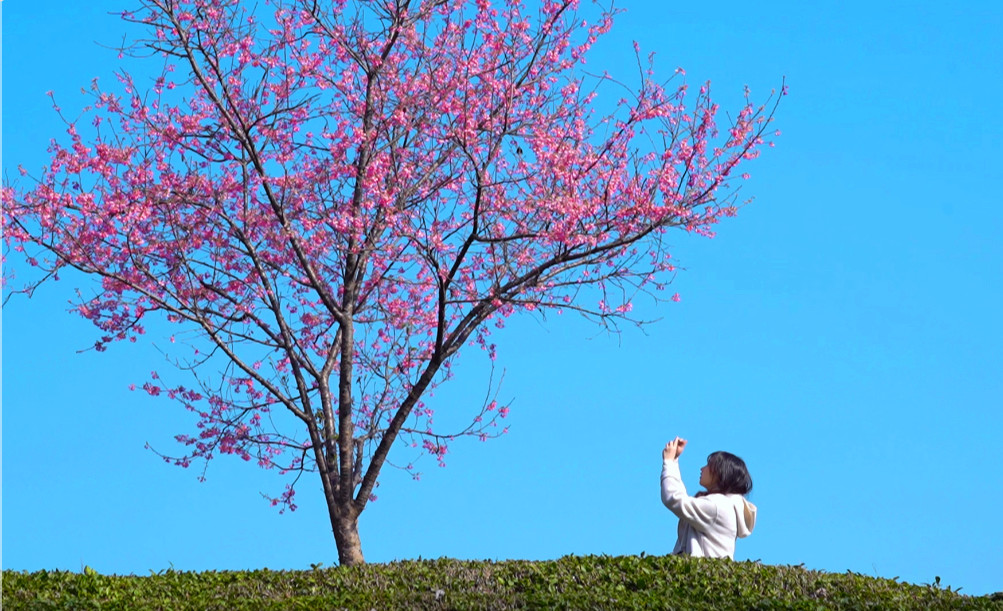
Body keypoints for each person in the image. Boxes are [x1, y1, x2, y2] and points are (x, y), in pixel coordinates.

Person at [660, 436, 757, 559]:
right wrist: (674, 460)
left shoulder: (718, 506)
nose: (702, 468)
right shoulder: (724, 505)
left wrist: (668, 462)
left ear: (721, 473)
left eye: (709, 465)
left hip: (699, 571)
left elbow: (674, 499)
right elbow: (681, 499)